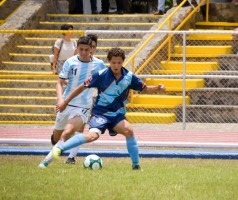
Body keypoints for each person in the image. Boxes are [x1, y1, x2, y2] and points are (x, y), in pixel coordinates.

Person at [51, 47, 166, 170]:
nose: (116, 65)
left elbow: (145, 88)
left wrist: (157, 88)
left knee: (129, 131)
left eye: (119, 63)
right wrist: (65, 101)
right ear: (109, 62)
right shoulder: (101, 75)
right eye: (113, 63)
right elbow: (82, 87)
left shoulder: (129, 77)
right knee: (92, 136)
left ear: (123, 62)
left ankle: (136, 166)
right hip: (100, 114)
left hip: (117, 115)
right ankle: (62, 147)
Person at [38, 36, 106, 168]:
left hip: (83, 106)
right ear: (77, 48)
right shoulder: (70, 62)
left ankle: (45, 163)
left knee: (67, 132)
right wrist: (60, 100)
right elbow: (59, 82)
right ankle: (59, 144)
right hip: (65, 104)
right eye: (81, 49)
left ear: (92, 49)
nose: (84, 52)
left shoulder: (99, 64)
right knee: (57, 138)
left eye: (87, 49)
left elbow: (103, 84)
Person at [64, 34, 102, 164]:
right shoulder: (73, 61)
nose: (90, 50)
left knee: (80, 129)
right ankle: (59, 147)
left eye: (93, 47)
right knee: (63, 131)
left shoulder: (99, 64)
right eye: (88, 47)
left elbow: (104, 80)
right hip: (68, 100)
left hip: (85, 103)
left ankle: (71, 157)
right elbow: (63, 79)